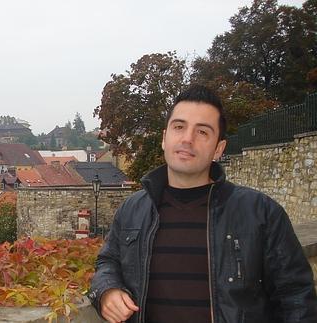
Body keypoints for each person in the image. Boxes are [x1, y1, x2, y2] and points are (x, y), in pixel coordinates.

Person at [88, 85, 317, 323]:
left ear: (218, 148)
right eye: (179, 127)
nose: (187, 139)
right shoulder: (133, 210)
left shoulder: (262, 213)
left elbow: (296, 299)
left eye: (203, 132)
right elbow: (108, 261)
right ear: (164, 139)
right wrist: (107, 289)